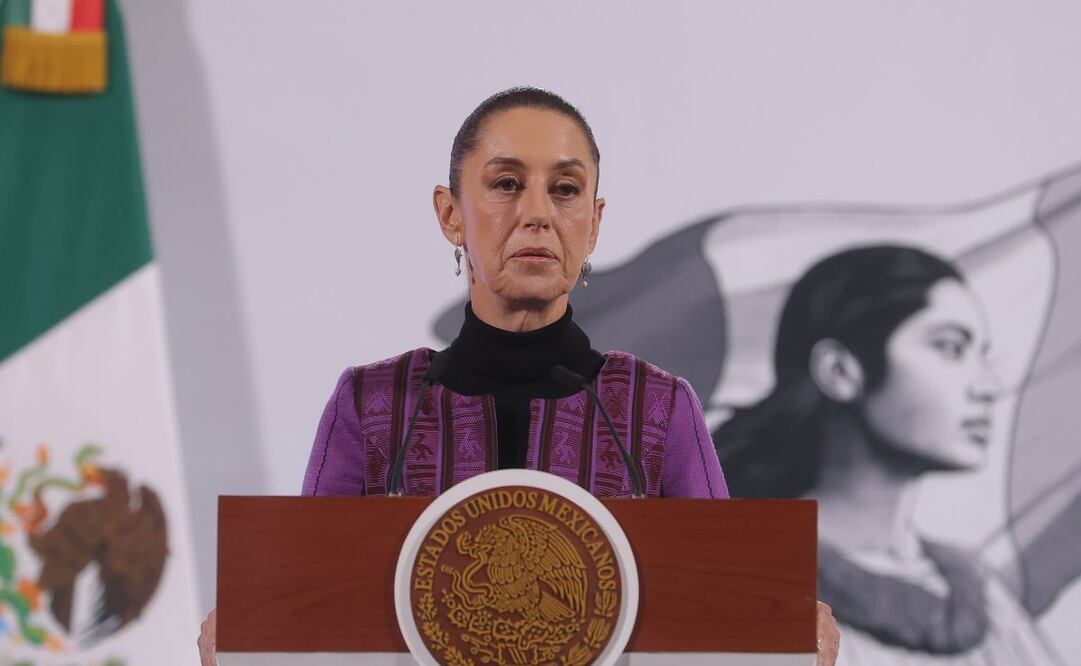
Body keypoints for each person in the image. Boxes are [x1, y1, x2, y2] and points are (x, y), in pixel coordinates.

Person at [199, 87, 840, 665]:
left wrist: (780, 635)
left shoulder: (657, 408)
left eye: (565, 190)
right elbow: (307, 612)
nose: (537, 214)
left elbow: (726, 613)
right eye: (506, 184)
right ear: (451, 215)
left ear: (593, 222)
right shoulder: (371, 405)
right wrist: (254, 634)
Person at [714, 245, 1059, 665]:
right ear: (840, 371)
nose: (987, 386)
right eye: (950, 347)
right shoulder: (743, 584)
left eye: (982, 355)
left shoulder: (982, 595)